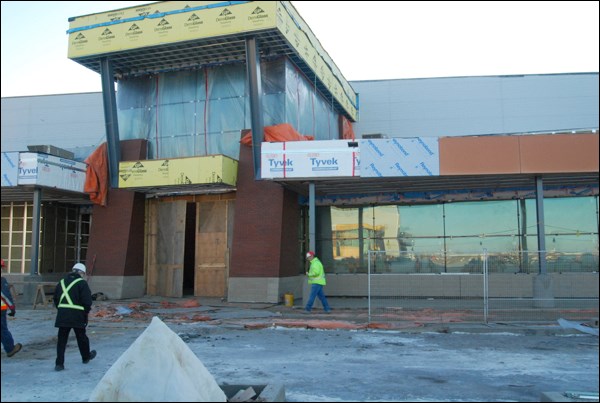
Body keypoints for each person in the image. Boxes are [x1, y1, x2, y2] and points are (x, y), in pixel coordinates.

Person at [53, 262, 96, 371]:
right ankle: (86, 356)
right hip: (77, 315)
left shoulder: (61, 282)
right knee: (81, 337)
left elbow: (56, 299)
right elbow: (87, 302)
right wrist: (85, 313)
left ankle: (59, 364)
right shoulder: (82, 283)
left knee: (62, 340)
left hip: (63, 315)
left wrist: (62, 309)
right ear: (81, 273)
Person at [1, 258, 22, 357]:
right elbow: (5, 295)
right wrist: (12, 308)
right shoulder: (2, 280)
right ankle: (10, 349)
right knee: (2, 329)